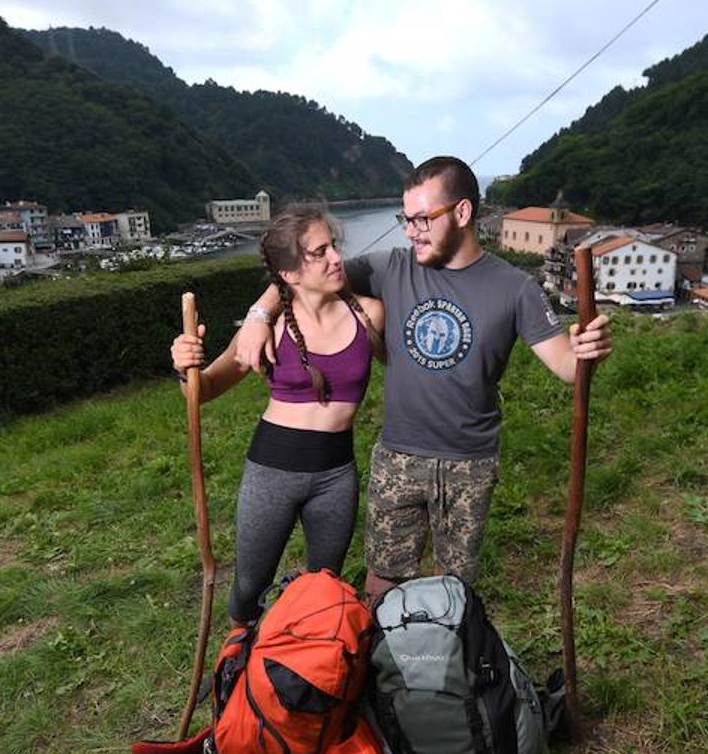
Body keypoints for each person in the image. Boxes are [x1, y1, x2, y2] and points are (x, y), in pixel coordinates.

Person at [234, 157, 612, 600]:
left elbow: (568, 367)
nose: (409, 230)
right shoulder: (390, 267)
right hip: (397, 457)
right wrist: (260, 315)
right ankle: (384, 664)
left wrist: (589, 351)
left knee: (454, 590)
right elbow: (301, 276)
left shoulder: (516, 288)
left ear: (463, 213)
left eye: (420, 219)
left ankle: (440, 662)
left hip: (470, 462)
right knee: (381, 583)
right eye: (405, 219)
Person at [171, 205, 384, 624]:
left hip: (336, 474)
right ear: (289, 273)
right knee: (250, 586)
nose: (336, 258)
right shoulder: (270, 328)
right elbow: (206, 389)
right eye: (319, 252)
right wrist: (184, 368)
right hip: (271, 471)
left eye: (333, 246)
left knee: (326, 587)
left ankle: (309, 675)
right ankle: (237, 667)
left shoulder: (369, 314)